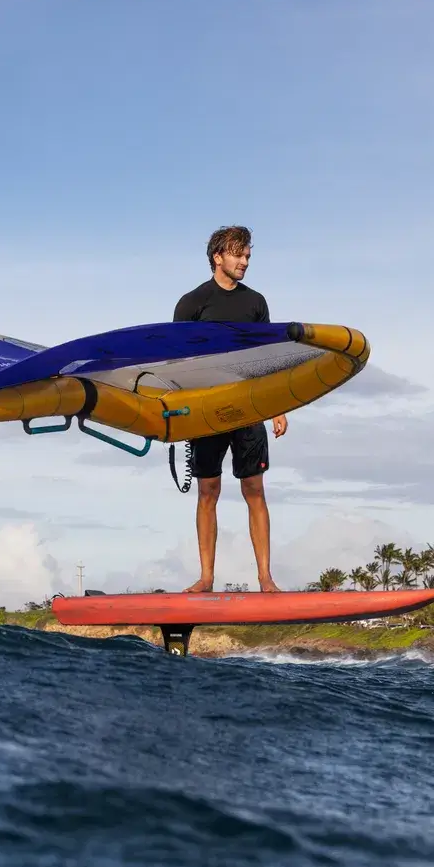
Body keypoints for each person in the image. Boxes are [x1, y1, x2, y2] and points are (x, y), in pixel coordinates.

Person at [172, 225, 287, 593]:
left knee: (254, 489)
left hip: (248, 405)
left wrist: (278, 406)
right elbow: (176, 362)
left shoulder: (256, 303)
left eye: (248, 255)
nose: (245, 262)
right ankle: (206, 577)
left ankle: (265, 578)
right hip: (207, 408)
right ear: (217, 257)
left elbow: (267, 357)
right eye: (238, 255)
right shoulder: (192, 303)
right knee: (208, 491)